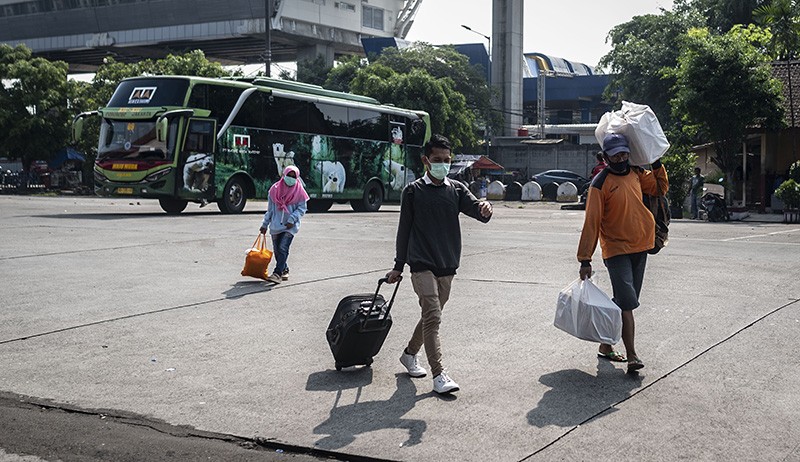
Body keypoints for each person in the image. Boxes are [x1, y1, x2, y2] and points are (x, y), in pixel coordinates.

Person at [385, 134, 493, 394]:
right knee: (433, 315)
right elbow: (404, 230)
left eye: (446, 160)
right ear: (426, 161)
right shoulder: (412, 192)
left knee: (430, 317)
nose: (442, 164)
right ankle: (439, 374)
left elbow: (477, 211)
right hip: (421, 263)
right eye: (436, 160)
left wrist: (485, 209)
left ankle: (410, 354)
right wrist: (399, 266)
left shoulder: (456, 189)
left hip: (448, 264)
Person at [577, 133, 669, 373]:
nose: (621, 157)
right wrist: (585, 259)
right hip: (616, 249)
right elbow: (592, 222)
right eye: (616, 154)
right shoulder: (600, 184)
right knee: (627, 302)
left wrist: (655, 161)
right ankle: (632, 355)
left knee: (624, 301)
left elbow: (660, 187)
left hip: (641, 245)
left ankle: (606, 346)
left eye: (624, 152)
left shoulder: (637, 174)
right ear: (606, 157)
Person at [259, 165, 309, 284]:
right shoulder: (274, 190)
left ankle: (277, 273)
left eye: (294, 176)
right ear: (284, 175)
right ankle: (284, 268)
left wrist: (292, 219)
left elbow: (302, 208)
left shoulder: (300, 191)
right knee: (277, 250)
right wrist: (265, 224)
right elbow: (270, 210)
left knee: (283, 248)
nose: (291, 178)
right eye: (289, 175)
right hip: (276, 225)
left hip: (289, 226)